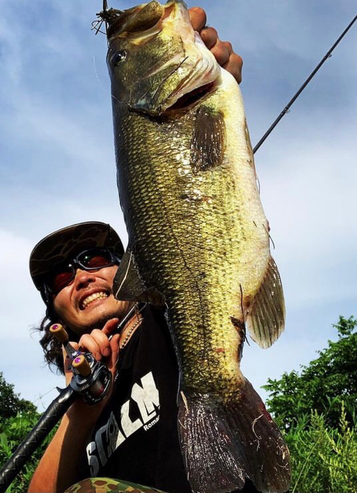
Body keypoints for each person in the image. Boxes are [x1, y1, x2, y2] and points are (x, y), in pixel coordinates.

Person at [28, 8, 246, 493]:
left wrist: (214, 93)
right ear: (53, 317)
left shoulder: (160, 319)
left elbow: (207, 250)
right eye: (61, 276)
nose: (81, 275)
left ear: (133, 265)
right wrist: (81, 412)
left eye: (96, 258)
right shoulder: (77, 407)